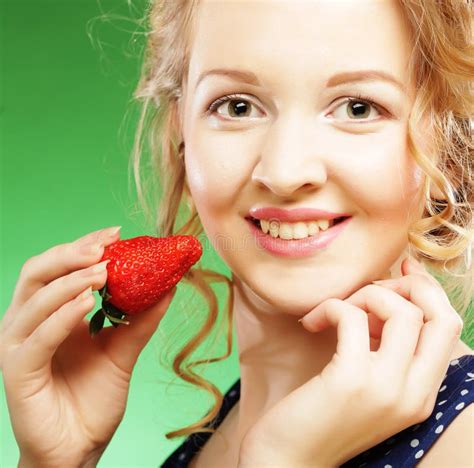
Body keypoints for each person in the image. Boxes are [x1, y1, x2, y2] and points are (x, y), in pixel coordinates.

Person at [1, 0, 473, 467]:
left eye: (358, 107)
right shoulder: (232, 420)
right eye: (239, 106)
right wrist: (58, 460)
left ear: (451, 143)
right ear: (179, 136)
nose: (286, 171)